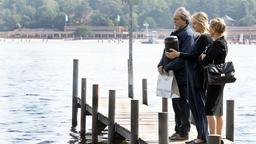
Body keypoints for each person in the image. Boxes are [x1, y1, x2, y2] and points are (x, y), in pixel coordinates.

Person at [166, 12, 213, 144]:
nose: (194, 26)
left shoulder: (204, 38)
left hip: (198, 77)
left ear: (202, 23)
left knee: (199, 108)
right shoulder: (198, 37)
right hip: (193, 76)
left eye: (195, 23)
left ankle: (203, 137)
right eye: (193, 23)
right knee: (195, 107)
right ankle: (200, 136)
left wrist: (179, 54)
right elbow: (194, 55)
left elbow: (194, 56)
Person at [157, 7, 195, 141]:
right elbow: (166, 51)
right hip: (173, 75)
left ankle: (184, 132)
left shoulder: (188, 35)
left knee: (182, 104)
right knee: (175, 104)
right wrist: (161, 64)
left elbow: (185, 58)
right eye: (173, 19)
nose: (174, 21)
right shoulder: (175, 32)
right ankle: (178, 130)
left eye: (176, 19)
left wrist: (167, 67)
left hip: (183, 76)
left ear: (185, 20)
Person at [199, 17, 228, 144]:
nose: (208, 29)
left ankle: (213, 138)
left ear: (215, 30)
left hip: (215, 79)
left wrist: (203, 56)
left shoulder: (218, 44)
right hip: (218, 78)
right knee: (218, 110)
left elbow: (205, 59)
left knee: (210, 109)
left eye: (210, 27)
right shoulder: (221, 42)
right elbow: (206, 57)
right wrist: (204, 56)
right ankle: (218, 138)